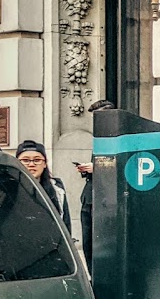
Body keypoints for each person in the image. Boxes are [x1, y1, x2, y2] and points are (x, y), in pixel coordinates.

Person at [77, 98, 114, 267]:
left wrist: (97, 168)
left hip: (106, 203)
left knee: (102, 247)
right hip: (89, 200)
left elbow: (123, 169)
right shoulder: (99, 140)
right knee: (88, 245)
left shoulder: (118, 140)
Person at [16, 140, 72, 236]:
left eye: (37, 160)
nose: (31, 164)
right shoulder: (9, 187)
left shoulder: (56, 189)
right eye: (25, 160)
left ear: (45, 164)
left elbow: (64, 222)